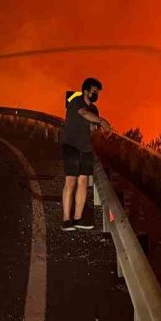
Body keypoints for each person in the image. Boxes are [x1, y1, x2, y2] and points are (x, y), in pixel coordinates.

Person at [61, 77, 112, 231]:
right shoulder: (76, 101)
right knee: (71, 182)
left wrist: (98, 128)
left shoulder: (95, 110)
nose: (96, 94)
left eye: (97, 92)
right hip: (71, 145)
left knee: (83, 182)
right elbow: (83, 113)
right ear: (86, 90)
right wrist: (102, 121)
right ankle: (66, 220)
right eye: (94, 91)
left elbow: (93, 126)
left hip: (85, 148)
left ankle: (78, 218)